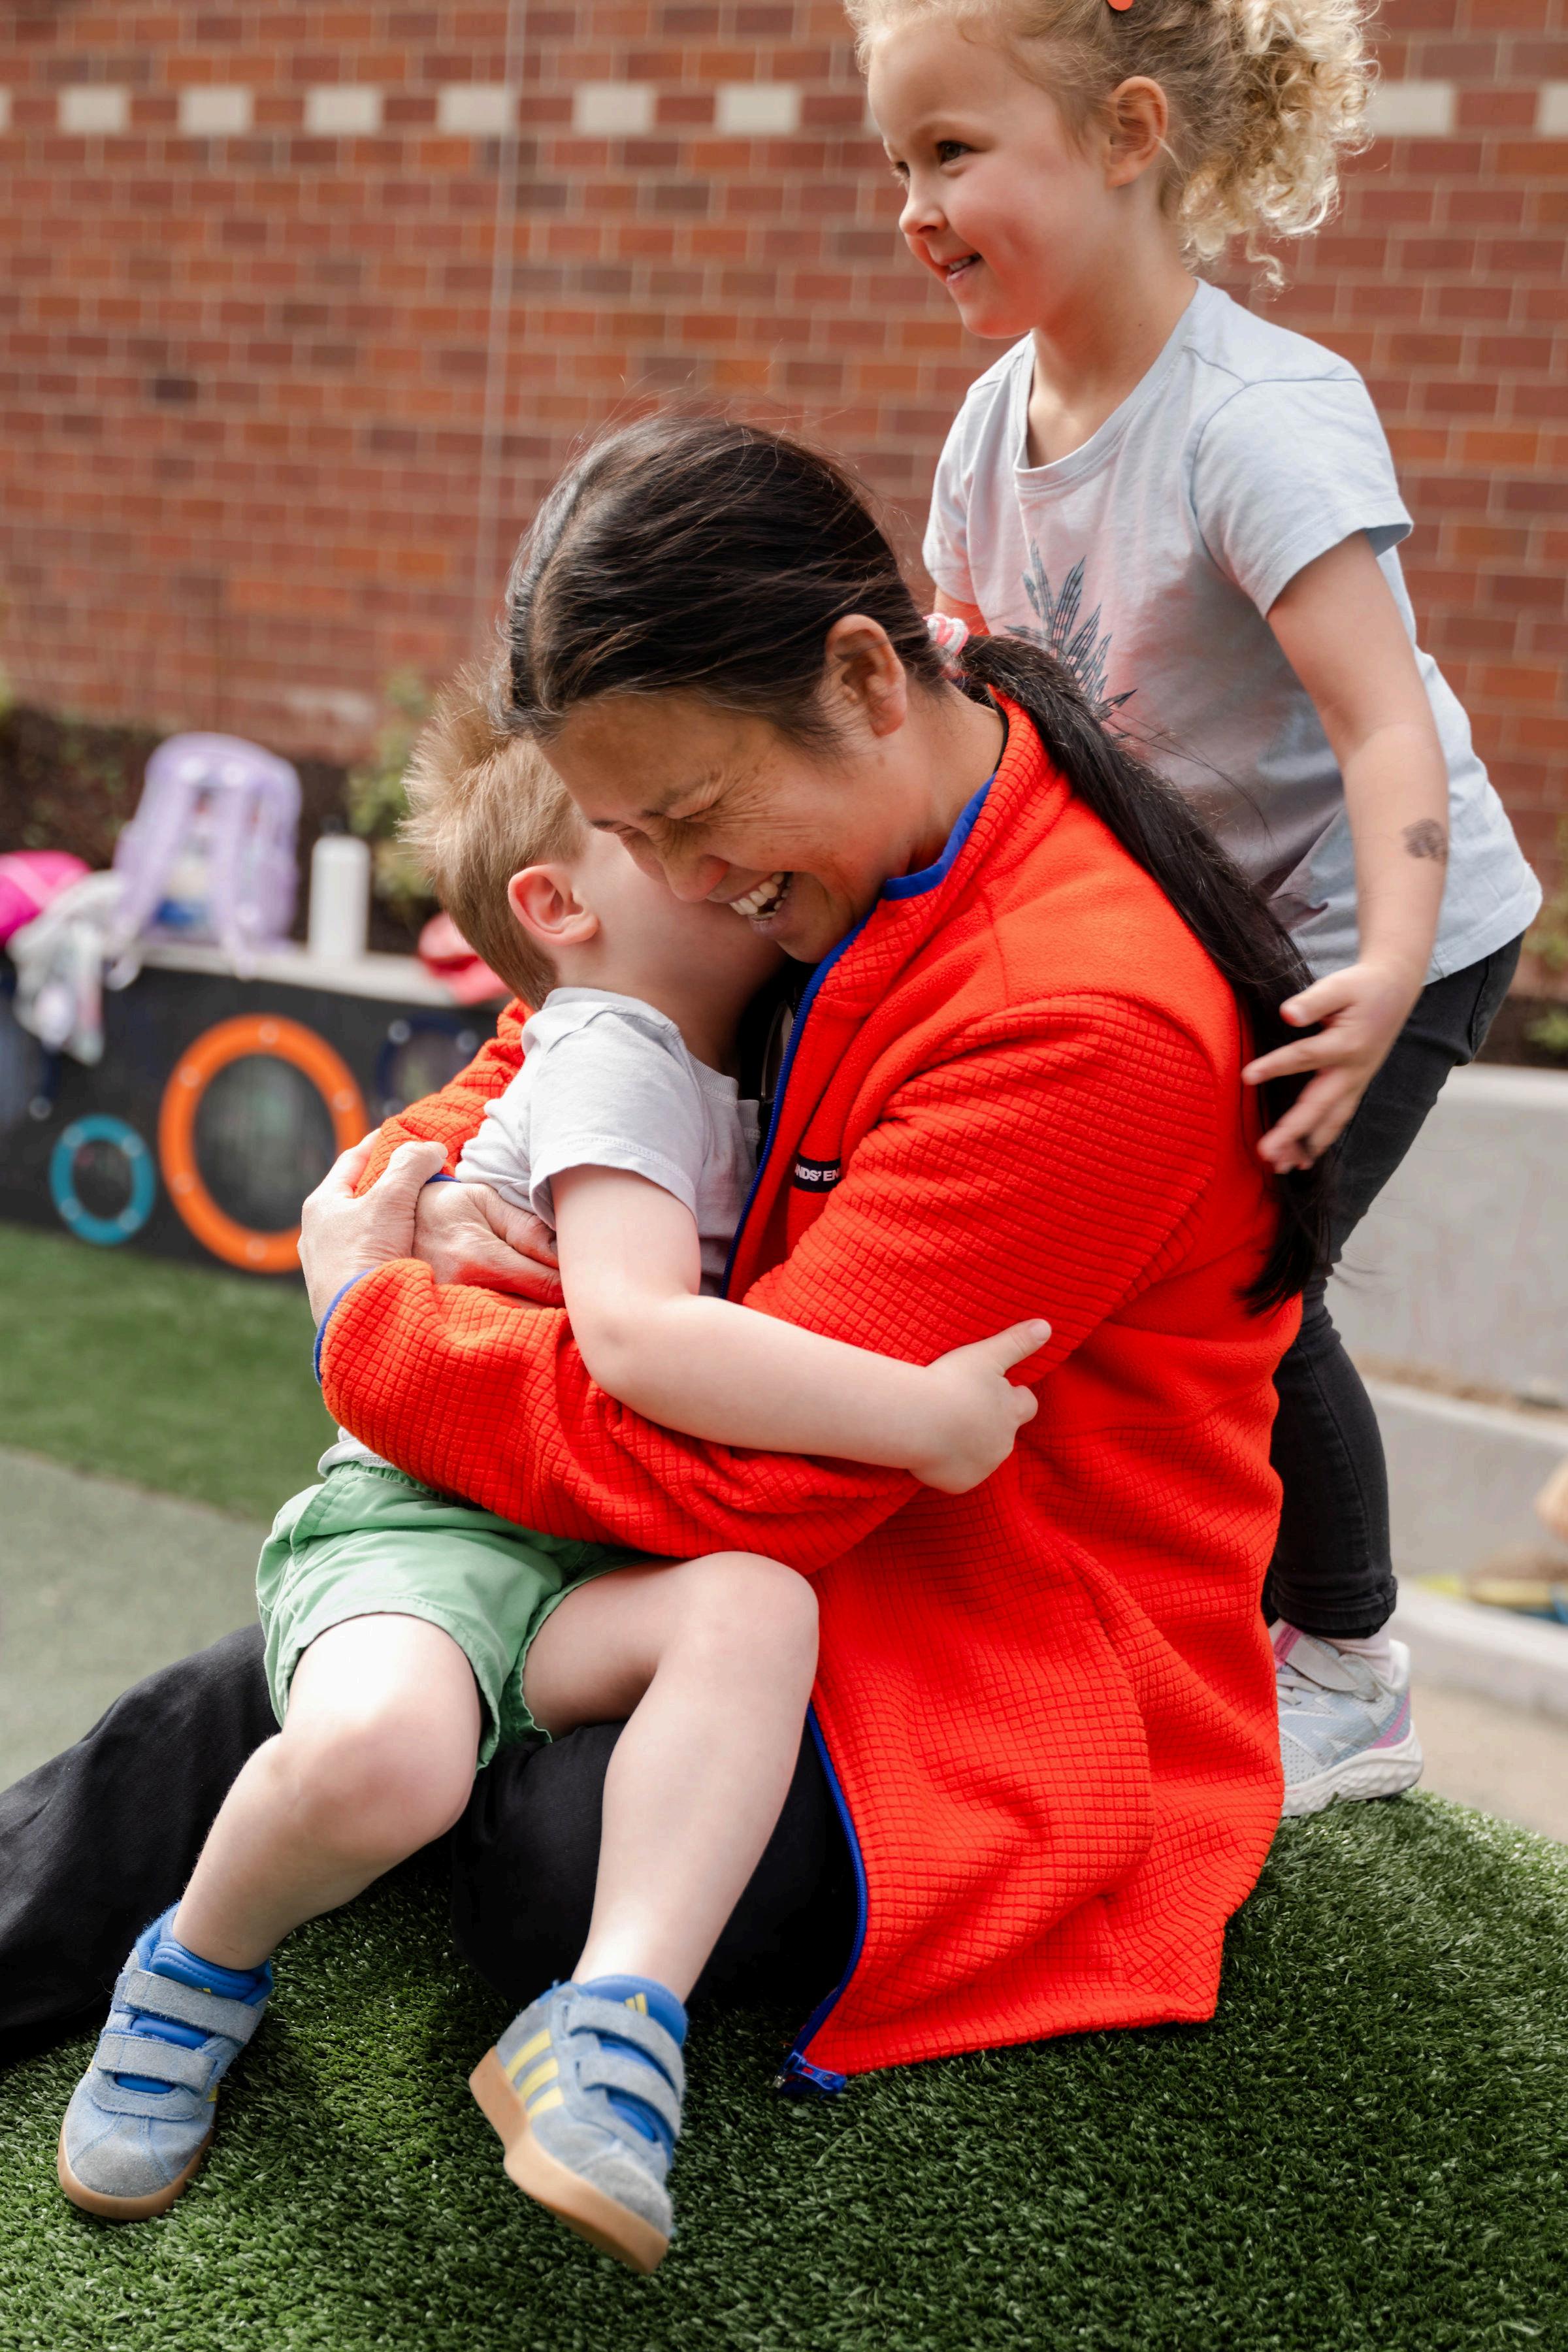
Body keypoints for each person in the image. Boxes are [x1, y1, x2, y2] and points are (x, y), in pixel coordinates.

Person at [7, 414, 1328, 2242]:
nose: (684, 886)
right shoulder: (824, 830)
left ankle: (471, 1946)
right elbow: (557, 1033)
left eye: (693, 822)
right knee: (337, 1685)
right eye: (636, 839)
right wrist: (418, 1193)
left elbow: (753, 1484)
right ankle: (164, 1932)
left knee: (541, 1851)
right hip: (737, 1542)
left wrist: (374, 1323)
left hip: (971, 1635)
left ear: (862, 679)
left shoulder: (1075, 1022)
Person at [54, 678, 1042, 2270]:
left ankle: (613, 2019)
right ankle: (194, 1969)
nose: (720, 853)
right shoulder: (618, 1053)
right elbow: (640, 1339)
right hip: (430, 1534)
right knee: (391, 1765)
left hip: (578, 1554)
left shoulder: (724, 1051)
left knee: (754, 1606)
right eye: (662, 827)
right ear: (558, 906)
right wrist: (918, 1416)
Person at [853, 0, 1543, 1812]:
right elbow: (992, 701)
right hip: (1212, 942)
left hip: (1389, 937)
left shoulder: (1254, 422)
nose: (913, 206)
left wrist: (1389, 970)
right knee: (1147, 1276)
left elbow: (1383, 725)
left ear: (1128, 134)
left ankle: (1352, 1670)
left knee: (1246, 1286)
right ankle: (1160, 1617)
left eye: (953, 153)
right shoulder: (991, 427)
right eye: (897, 162)